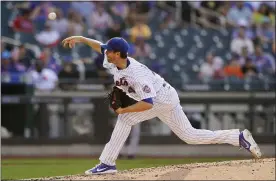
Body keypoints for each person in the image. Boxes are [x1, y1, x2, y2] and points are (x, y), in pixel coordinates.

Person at [62, 36, 262, 175]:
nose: (105, 53)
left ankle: (107, 163)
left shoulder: (136, 75)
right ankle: (238, 137)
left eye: (110, 52)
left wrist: (124, 109)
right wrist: (81, 38)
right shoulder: (116, 61)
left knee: (125, 118)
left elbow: (147, 104)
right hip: (167, 95)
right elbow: (101, 46)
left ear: (118, 54)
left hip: (161, 99)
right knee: (190, 136)